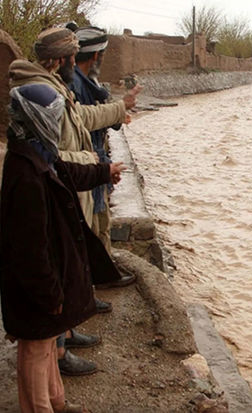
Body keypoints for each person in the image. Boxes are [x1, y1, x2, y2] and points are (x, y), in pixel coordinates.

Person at [8, 26, 137, 375]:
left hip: (69, 183)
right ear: (65, 59)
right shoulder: (42, 93)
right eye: (73, 54)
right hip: (63, 187)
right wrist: (96, 164)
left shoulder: (51, 84)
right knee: (58, 267)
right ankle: (59, 351)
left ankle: (64, 334)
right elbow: (56, 154)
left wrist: (116, 109)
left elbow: (78, 119)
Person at [0, 83, 126, 413]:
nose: (57, 125)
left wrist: (103, 172)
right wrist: (49, 293)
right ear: (38, 120)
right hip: (35, 286)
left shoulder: (35, 154)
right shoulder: (25, 174)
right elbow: (30, 250)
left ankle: (56, 402)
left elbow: (67, 172)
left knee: (45, 347)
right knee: (36, 351)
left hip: (43, 281)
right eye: (53, 117)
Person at [69, 26, 118, 253]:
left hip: (94, 165)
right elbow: (85, 120)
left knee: (101, 225)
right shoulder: (76, 84)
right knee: (92, 228)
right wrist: (119, 108)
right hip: (86, 166)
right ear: (96, 56)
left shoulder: (88, 82)